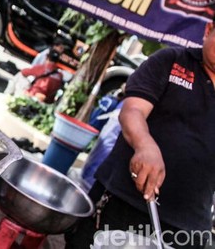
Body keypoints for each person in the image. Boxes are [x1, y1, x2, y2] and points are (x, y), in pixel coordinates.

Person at [65, 17, 215, 249]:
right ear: (208, 30)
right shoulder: (171, 60)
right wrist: (145, 145)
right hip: (122, 203)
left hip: (188, 226)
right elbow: (132, 110)